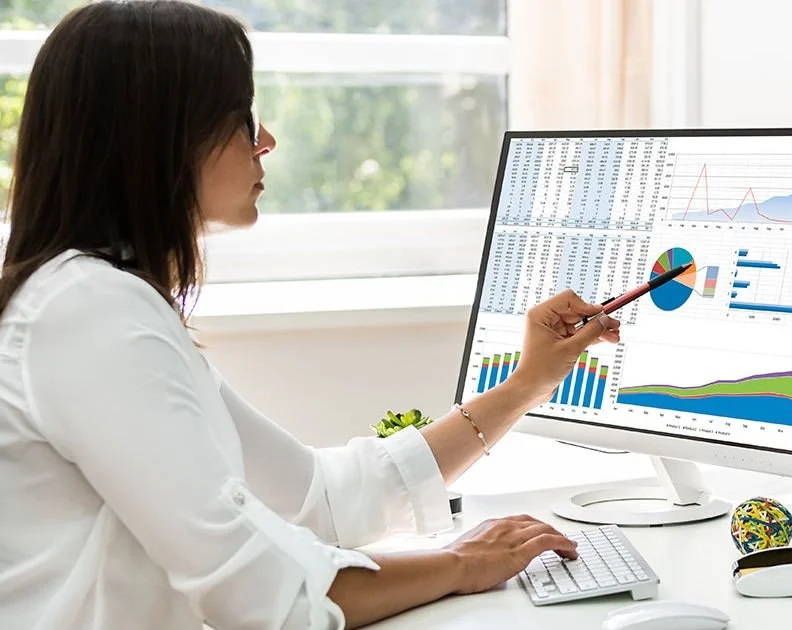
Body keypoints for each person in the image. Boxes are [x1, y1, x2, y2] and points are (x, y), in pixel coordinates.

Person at [0, 2, 621, 629]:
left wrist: (526, 385)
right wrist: (460, 564)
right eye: (243, 117)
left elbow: (317, 498)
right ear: (163, 134)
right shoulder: (90, 315)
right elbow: (261, 595)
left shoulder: (103, 301)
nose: (265, 139)